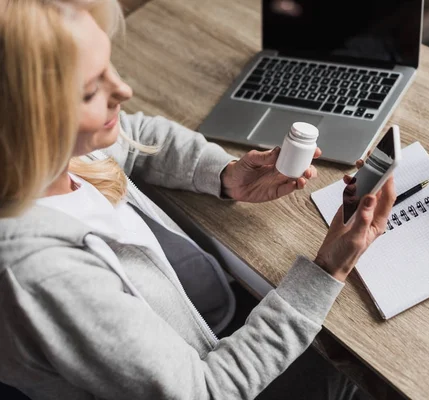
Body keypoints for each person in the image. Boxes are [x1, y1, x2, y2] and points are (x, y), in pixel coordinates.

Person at [0, 1, 395, 399]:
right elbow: (204, 392)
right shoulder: (46, 278)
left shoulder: (52, 155)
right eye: (89, 91)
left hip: (213, 316)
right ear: (21, 122)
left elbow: (133, 137)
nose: (123, 91)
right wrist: (326, 270)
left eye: (109, 66)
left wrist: (223, 175)